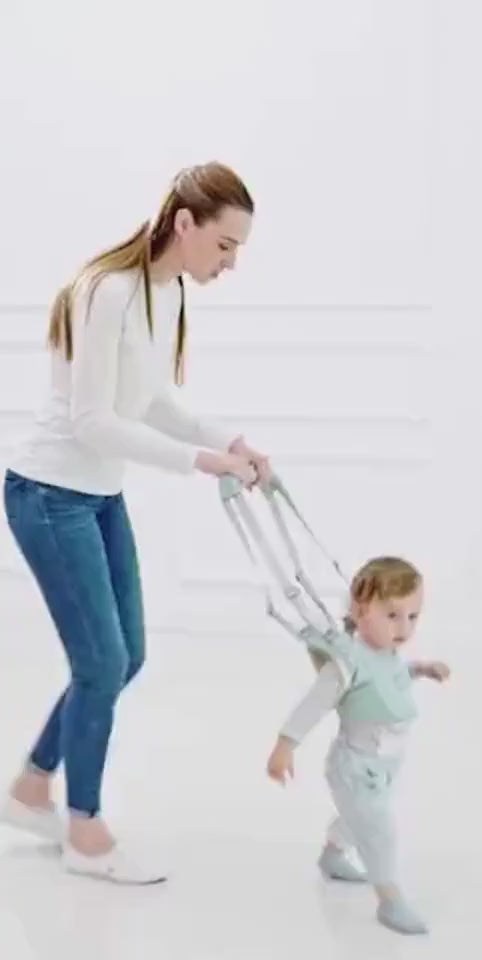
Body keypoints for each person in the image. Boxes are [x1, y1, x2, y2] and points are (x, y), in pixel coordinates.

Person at [0, 161, 272, 885]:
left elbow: (150, 402)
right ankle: (85, 831)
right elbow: (91, 422)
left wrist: (228, 441)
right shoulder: (107, 290)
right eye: (225, 245)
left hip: (95, 495)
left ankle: (31, 788)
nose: (230, 263)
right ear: (185, 223)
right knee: (101, 664)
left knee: (127, 656)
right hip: (49, 494)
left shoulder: (167, 290)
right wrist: (200, 462)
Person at [265, 556, 450, 935]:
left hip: (385, 764)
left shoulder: (385, 653)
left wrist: (420, 670)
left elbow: (390, 679)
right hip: (354, 767)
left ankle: (333, 855)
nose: (404, 627)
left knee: (358, 819)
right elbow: (313, 704)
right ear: (359, 610)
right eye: (392, 615)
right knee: (378, 829)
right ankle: (390, 899)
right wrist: (285, 746)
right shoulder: (346, 663)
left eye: (413, 616)